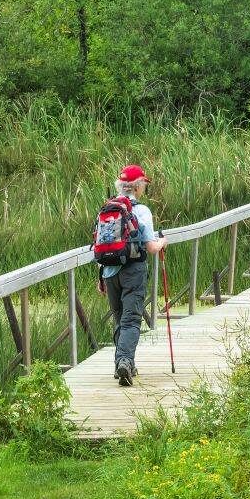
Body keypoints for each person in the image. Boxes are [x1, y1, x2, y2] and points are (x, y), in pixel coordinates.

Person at [96, 164, 167, 385]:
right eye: (143, 184)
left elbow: (101, 243)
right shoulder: (141, 211)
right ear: (137, 187)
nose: (144, 188)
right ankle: (125, 362)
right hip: (133, 271)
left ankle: (127, 363)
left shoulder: (107, 208)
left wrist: (101, 275)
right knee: (131, 320)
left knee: (120, 319)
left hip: (109, 271)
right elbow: (151, 248)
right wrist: (163, 241)